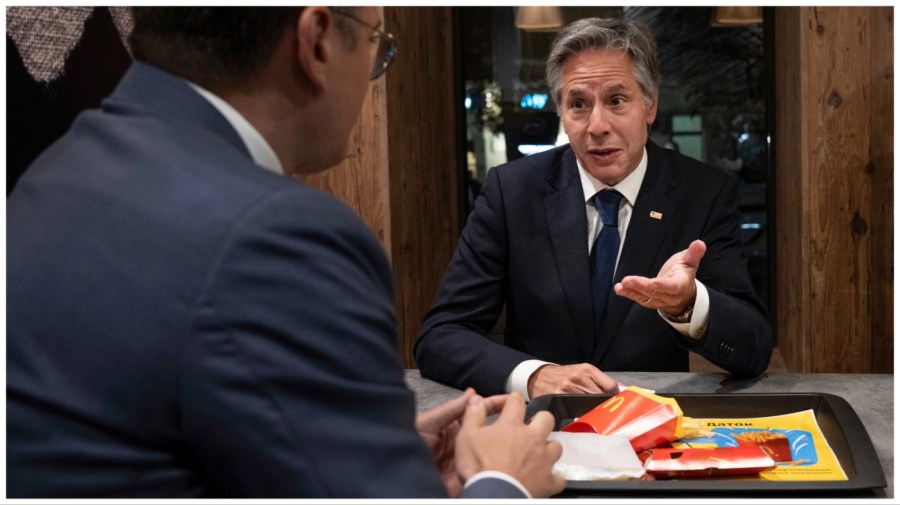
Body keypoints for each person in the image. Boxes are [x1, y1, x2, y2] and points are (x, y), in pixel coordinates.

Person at [6, 7, 565, 499]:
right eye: (377, 45)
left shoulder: (55, 172)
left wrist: (375, 456)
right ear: (317, 38)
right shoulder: (281, 236)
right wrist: (502, 483)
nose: (372, 75)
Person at [415, 17, 773, 400]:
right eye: (579, 104)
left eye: (617, 100)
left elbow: (753, 348)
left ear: (649, 105)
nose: (597, 125)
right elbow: (441, 335)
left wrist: (690, 304)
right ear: (561, 112)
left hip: (651, 430)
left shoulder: (701, 192)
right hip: (539, 430)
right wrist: (535, 376)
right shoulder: (512, 191)